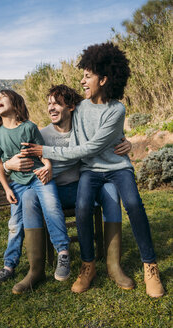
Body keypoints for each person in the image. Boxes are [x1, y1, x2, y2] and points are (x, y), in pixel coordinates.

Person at [24, 43, 165, 298]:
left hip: (117, 167)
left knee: (133, 203)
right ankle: (88, 265)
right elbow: (77, 143)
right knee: (82, 206)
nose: (82, 80)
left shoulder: (117, 109)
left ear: (104, 78)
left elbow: (90, 147)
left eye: (87, 76)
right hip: (90, 171)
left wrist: (45, 152)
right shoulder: (80, 109)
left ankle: (150, 266)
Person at [7, 84, 134, 295]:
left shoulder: (83, 127)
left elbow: (105, 141)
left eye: (57, 103)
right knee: (29, 196)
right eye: (49, 104)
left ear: (72, 107)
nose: (51, 108)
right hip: (53, 192)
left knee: (111, 190)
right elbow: (24, 162)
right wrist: (7, 165)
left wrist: (126, 143)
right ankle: (35, 270)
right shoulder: (41, 134)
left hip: (84, 187)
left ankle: (114, 265)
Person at [0, 89, 71, 291]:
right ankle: (9, 266)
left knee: (51, 205)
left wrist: (48, 166)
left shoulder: (29, 128)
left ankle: (63, 252)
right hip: (16, 184)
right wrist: (6, 188)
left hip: (39, 177)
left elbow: (42, 153)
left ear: (16, 104)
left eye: (2, 97)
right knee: (14, 224)